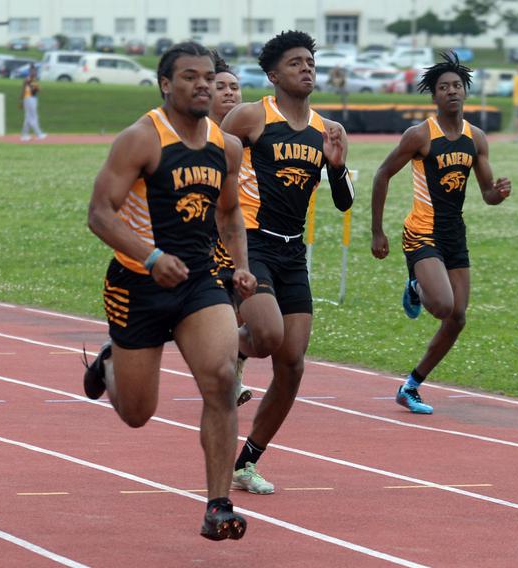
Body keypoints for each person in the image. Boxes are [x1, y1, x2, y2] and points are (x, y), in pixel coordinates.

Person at [82, 42, 256, 540]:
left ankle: (217, 506)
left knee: (222, 379)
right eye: (189, 77)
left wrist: (240, 268)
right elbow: (99, 214)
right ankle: (110, 363)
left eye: (209, 76)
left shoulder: (226, 145)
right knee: (138, 414)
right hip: (138, 285)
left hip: (199, 282)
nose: (202, 85)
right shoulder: (140, 139)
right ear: (166, 84)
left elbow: (227, 213)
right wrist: (151, 257)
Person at [219, 31, 354, 495]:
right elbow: (206, 158)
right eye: (295, 63)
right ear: (274, 75)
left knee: (292, 364)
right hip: (252, 243)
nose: (307, 69)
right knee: (269, 336)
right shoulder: (251, 116)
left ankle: (246, 462)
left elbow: (343, 202)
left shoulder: (329, 130)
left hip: (292, 251)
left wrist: (336, 167)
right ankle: (234, 344)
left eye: (310, 62)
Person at [370, 51, 511, 415]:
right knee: (442, 305)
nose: (452, 92)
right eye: (444, 87)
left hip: (454, 235)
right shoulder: (420, 136)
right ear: (434, 97)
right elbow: (382, 174)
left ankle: (411, 386)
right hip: (421, 232)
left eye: (457, 86)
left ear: (465, 91)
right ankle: (416, 285)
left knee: (458, 318)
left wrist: (499, 193)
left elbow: (486, 194)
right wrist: (377, 232)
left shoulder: (476, 138)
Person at [210, 51, 254, 407]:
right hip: (203, 235)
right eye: (221, 87)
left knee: (242, 310)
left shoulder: (251, 131)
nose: (230, 93)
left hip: (245, 233)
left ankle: (231, 377)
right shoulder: (198, 134)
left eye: (235, 87)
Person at [21, 64, 47, 141]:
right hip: (30, 98)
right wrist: (22, 100)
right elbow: (36, 89)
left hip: (31, 98)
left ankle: (24, 135)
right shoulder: (29, 79)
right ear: (30, 72)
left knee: (28, 117)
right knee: (33, 116)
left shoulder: (32, 79)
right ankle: (39, 133)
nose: (35, 72)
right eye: (33, 71)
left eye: (35, 71)